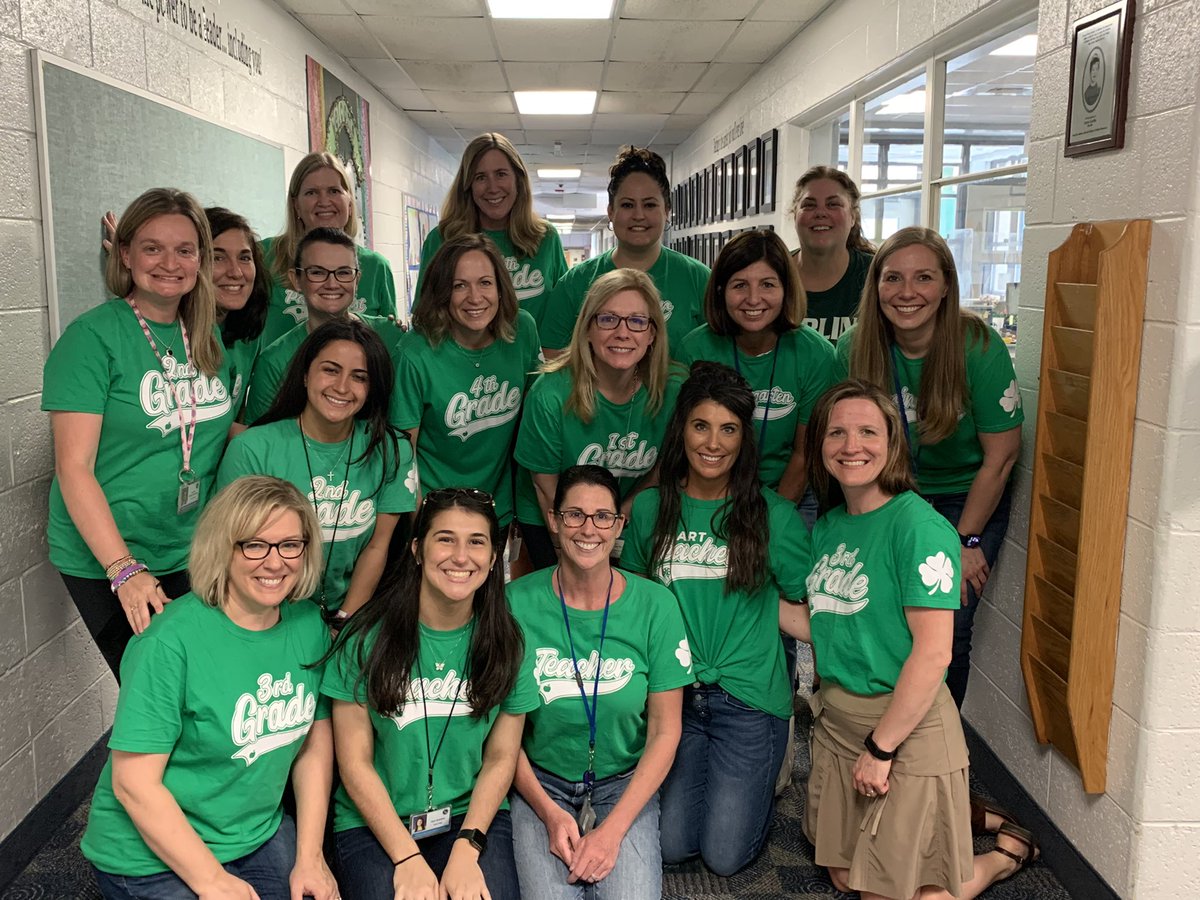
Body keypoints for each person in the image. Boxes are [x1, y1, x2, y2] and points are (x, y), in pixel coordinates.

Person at [783, 380, 1038, 900]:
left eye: (867, 432)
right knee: (843, 875)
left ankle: (1001, 859)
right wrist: (737, 597)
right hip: (839, 723)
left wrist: (881, 749)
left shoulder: (919, 527)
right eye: (836, 433)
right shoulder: (829, 527)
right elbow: (825, 625)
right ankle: (961, 818)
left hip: (904, 728)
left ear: (893, 443)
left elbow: (935, 652)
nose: (851, 446)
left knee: (889, 895)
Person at [80, 475, 338, 900]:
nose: (275, 563)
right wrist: (212, 881)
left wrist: (311, 856)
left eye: (290, 544)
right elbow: (134, 785)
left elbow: (314, 743)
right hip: (148, 853)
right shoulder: (167, 643)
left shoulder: (309, 625)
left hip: (253, 832)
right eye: (254, 545)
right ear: (223, 547)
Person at [621, 362, 810, 876]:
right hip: (674, 698)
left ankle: (766, 771)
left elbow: (812, 609)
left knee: (724, 857)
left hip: (748, 700)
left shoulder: (773, 515)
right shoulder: (650, 509)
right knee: (672, 847)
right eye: (701, 426)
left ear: (744, 439)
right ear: (681, 430)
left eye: (728, 429)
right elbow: (634, 603)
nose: (713, 443)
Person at [44, 187, 237, 677]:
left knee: (205, 686)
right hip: (110, 557)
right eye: (153, 248)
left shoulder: (205, 335)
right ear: (125, 254)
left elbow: (205, 425)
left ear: (200, 259)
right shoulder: (91, 339)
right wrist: (123, 569)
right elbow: (73, 467)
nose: (170, 263)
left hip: (188, 547)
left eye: (185, 250)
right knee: (156, 691)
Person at [836, 226, 1022, 707]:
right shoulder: (855, 347)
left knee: (949, 624)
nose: (907, 292)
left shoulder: (977, 346)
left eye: (923, 277)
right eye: (892, 278)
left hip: (966, 496)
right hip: (893, 493)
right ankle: (881, 725)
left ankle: (939, 742)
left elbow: (1001, 456)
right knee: (880, 612)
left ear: (945, 286)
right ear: (876, 285)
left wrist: (967, 541)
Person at [323, 487, 535, 899]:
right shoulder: (364, 639)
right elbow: (355, 764)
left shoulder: (508, 642)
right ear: (417, 550)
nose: (461, 557)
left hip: (467, 816)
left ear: (494, 558)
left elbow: (500, 758)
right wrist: (406, 857)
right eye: (446, 539)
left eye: (477, 542)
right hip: (374, 821)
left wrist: (468, 847)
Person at [507, 465, 691, 899]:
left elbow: (665, 732)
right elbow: (501, 736)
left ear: (619, 524)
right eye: (574, 515)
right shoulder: (514, 603)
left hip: (624, 783)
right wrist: (548, 813)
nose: (588, 529)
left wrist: (613, 831)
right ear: (553, 521)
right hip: (541, 784)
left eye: (602, 516)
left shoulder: (657, 606)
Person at [218, 319, 416, 623]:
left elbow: (377, 546)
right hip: (268, 610)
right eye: (330, 370)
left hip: (353, 611)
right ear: (305, 374)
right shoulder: (251, 449)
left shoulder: (391, 449)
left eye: (359, 377)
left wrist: (345, 621)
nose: (342, 387)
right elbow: (236, 552)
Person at [514, 268, 678, 570]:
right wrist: (574, 548)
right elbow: (544, 486)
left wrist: (617, 519)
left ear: (652, 334)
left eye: (637, 321)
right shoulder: (550, 394)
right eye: (607, 319)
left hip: (626, 511)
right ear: (587, 329)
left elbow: (661, 471)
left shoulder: (670, 391)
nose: (622, 332)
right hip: (551, 515)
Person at [392, 233, 541, 540]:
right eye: (459, 285)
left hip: (497, 510)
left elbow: (534, 424)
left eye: (485, 282)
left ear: (500, 287)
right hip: (435, 516)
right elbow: (403, 457)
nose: (475, 297)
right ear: (442, 292)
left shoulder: (522, 331)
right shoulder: (415, 353)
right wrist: (421, 530)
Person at [678, 230, 837, 504]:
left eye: (767, 285)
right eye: (740, 285)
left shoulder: (816, 354)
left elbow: (804, 454)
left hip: (789, 492)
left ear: (786, 289)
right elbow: (682, 446)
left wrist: (775, 517)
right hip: (709, 490)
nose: (753, 299)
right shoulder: (694, 349)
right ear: (721, 290)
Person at [539, 146, 710, 355]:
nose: (638, 215)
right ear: (611, 212)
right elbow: (554, 359)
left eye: (649, 205)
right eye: (627, 205)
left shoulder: (699, 279)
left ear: (666, 211)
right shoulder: (575, 283)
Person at [245, 227, 403, 423]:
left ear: (357, 280)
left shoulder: (391, 337)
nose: (332, 284)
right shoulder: (274, 362)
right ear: (296, 280)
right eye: (317, 272)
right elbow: (260, 435)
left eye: (343, 273)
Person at [415, 133, 566, 325]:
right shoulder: (442, 239)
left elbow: (564, 312)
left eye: (501, 174)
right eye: (480, 177)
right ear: (467, 186)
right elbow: (425, 316)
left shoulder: (545, 237)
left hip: (534, 346)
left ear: (518, 179)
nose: (492, 187)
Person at [260, 151, 396, 345]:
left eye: (334, 191)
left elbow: (387, 344)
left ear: (350, 202)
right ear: (296, 205)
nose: (324, 201)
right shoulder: (264, 256)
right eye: (311, 192)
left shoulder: (376, 267)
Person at [788, 166, 875, 343]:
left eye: (833, 204)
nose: (820, 213)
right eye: (809, 205)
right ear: (795, 215)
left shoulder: (876, 273)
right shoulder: (773, 271)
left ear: (853, 217)